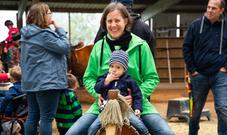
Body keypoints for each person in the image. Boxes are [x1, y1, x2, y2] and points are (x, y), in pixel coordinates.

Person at [66, 2, 174, 135]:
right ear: (104, 23)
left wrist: (135, 96)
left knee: (166, 133)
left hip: (137, 105)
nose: (113, 25)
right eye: (109, 21)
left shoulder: (141, 46)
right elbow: (89, 77)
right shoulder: (98, 47)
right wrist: (98, 94)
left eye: (117, 20)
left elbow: (152, 77)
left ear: (126, 21)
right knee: (72, 133)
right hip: (103, 105)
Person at [183, 0, 227, 134]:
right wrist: (192, 70)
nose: (210, 10)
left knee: (222, 108)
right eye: (208, 7)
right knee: (195, 111)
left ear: (221, 10)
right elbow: (187, 47)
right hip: (199, 75)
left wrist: (226, 67)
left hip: (219, 75)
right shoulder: (196, 25)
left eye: (214, 8)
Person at [20, 2, 70, 135]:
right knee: (46, 118)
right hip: (47, 82)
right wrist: (59, 28)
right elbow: (65, 47)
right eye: (49, 13)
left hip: (31, 82)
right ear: (42, 16)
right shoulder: (44, 35)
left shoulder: (27, 35)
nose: (51, 15)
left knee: (32, 116)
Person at [88, 50, 149, 135]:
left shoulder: (129, 80)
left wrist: (137, 108)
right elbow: (97, 89)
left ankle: (146, 133)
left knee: (139, 124)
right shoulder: (104, 78)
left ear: (124, 69)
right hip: (107, 110)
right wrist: (106, 81)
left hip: (124, 110)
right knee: (93, 127)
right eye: (111, 66)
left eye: (118, 67)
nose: (114, 70)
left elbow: (137, 94)